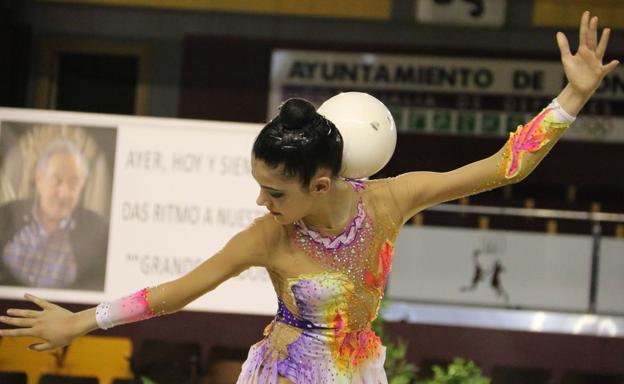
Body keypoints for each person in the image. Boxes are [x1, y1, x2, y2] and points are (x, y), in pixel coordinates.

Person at [0, 12, 618, 384]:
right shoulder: (267, 238)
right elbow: (173, 294)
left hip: (356, 370)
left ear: (320, 183)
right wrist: (81, 320)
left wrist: (572, 100)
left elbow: (503, 166)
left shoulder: (390, 200)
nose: (260, 201)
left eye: (273, 190)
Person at [0, 139, 108, 290]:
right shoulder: (6, 215)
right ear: (39, 178)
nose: (64, 193)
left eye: (73, 183)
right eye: (56, 180)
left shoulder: (98, 232)